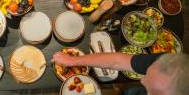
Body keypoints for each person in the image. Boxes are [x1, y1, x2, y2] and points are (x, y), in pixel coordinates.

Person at [53, 52, 189, 95]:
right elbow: (117, 61)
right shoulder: (168, 63)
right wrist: (74, 60)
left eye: (150, 91)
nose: (141, 80)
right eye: (146, 73)